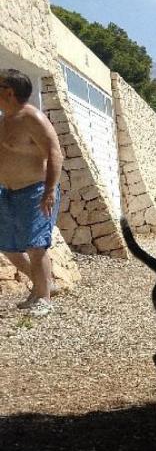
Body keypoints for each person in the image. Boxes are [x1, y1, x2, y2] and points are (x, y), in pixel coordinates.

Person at [0, 68, 64, 316]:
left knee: (36, 247)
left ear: (9, 91)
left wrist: (49, 190)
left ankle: (44, 299)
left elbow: (55, 153)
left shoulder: (32, 118)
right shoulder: (5, 120)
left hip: (34, 191)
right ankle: (43, 285)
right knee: (8, 247)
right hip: (7, 192)